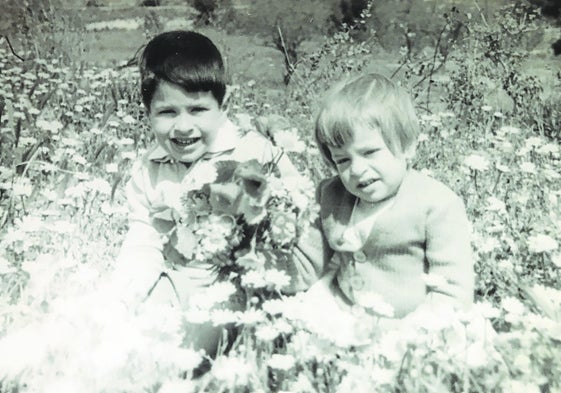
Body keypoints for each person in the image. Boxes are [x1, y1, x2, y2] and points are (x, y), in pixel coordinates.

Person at [113, 30, 324, 357]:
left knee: (181, 355)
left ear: (224, 107)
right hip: (179, 286)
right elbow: (144, 239)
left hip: (246, 292)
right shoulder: (149, 169)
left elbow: (298, 220)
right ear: (147, 113)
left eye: (197, 110)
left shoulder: (255, 154)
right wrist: (124, 296)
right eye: (167, 112)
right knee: (122, 333)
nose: (183, 127)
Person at [304, 72, 474, 345]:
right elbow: (308, 262)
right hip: (343, 309)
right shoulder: (331, 194)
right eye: (342, 160)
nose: (357, 170)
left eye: (370, 152)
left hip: (413, 324)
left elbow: (452, 289)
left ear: (408, 146)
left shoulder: (437, 204)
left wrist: (412, 334)